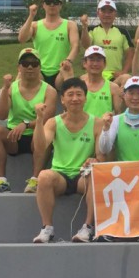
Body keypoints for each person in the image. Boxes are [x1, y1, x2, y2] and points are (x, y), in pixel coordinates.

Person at [31, 77, 103, 244]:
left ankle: (88, 227)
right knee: (44, 176)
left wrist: (94, 160)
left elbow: (101, 156)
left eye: (79, 94)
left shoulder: (97, 123)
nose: (75, 98)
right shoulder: (53, 122)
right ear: (62, 99)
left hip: (82, 176)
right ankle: (47, 228)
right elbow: (40, 148)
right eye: (70, 95)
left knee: (96, 175)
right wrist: (39, 120)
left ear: (85, 98)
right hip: (60, 176)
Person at [0, 48, 58, 194]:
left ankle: (35, 180)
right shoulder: (10, 89)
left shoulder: (49, 91)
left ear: (39, 67)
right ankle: (2, 181)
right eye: (25, 63)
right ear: (19, 67)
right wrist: (5, 90)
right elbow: (1, 115)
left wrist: (25, 124)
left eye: (34, 63)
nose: (30, 67)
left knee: (46, 134)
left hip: (37, 135)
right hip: (14, 137)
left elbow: (47, 119)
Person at [18, 0, 79, 87]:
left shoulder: (70, 25)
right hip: (39, 72)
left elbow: (75, 46)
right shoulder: (35, 25)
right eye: (48, 2)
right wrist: (31, 16)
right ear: (43, 5)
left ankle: (70, 95)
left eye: (55, 2)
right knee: (22, 72)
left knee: (68, 71)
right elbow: (22, 39)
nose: (52, 5)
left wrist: (68, 61)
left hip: (60, 71)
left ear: (60, 5)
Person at [98, 76, 139, 162]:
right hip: (123, 169)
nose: (135, 97)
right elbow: (104, 150)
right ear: (124, 96)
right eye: (131, 93)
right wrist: (105, 129)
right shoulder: (116, 120)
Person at [79, 0, 134, 86]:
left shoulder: (123, 32)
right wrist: (84, 27)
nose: (107, 14)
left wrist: (124, 71)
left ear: (115, 13)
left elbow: (130, 54)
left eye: (110, 11)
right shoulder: (91, 30)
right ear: (98, 13)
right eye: (103, 11)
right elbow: (86, 45)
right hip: (94, 73)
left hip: (114, 75)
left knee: (126, 78)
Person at [58, 46, 122, 117]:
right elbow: (66, 108)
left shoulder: (113, 88)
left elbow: (119, 114)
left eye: (98, 60)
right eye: (91, 60)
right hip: (80, 124)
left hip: (104, 124)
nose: (95, 64)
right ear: (84, 63)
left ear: (104, 64)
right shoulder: (77, 85)